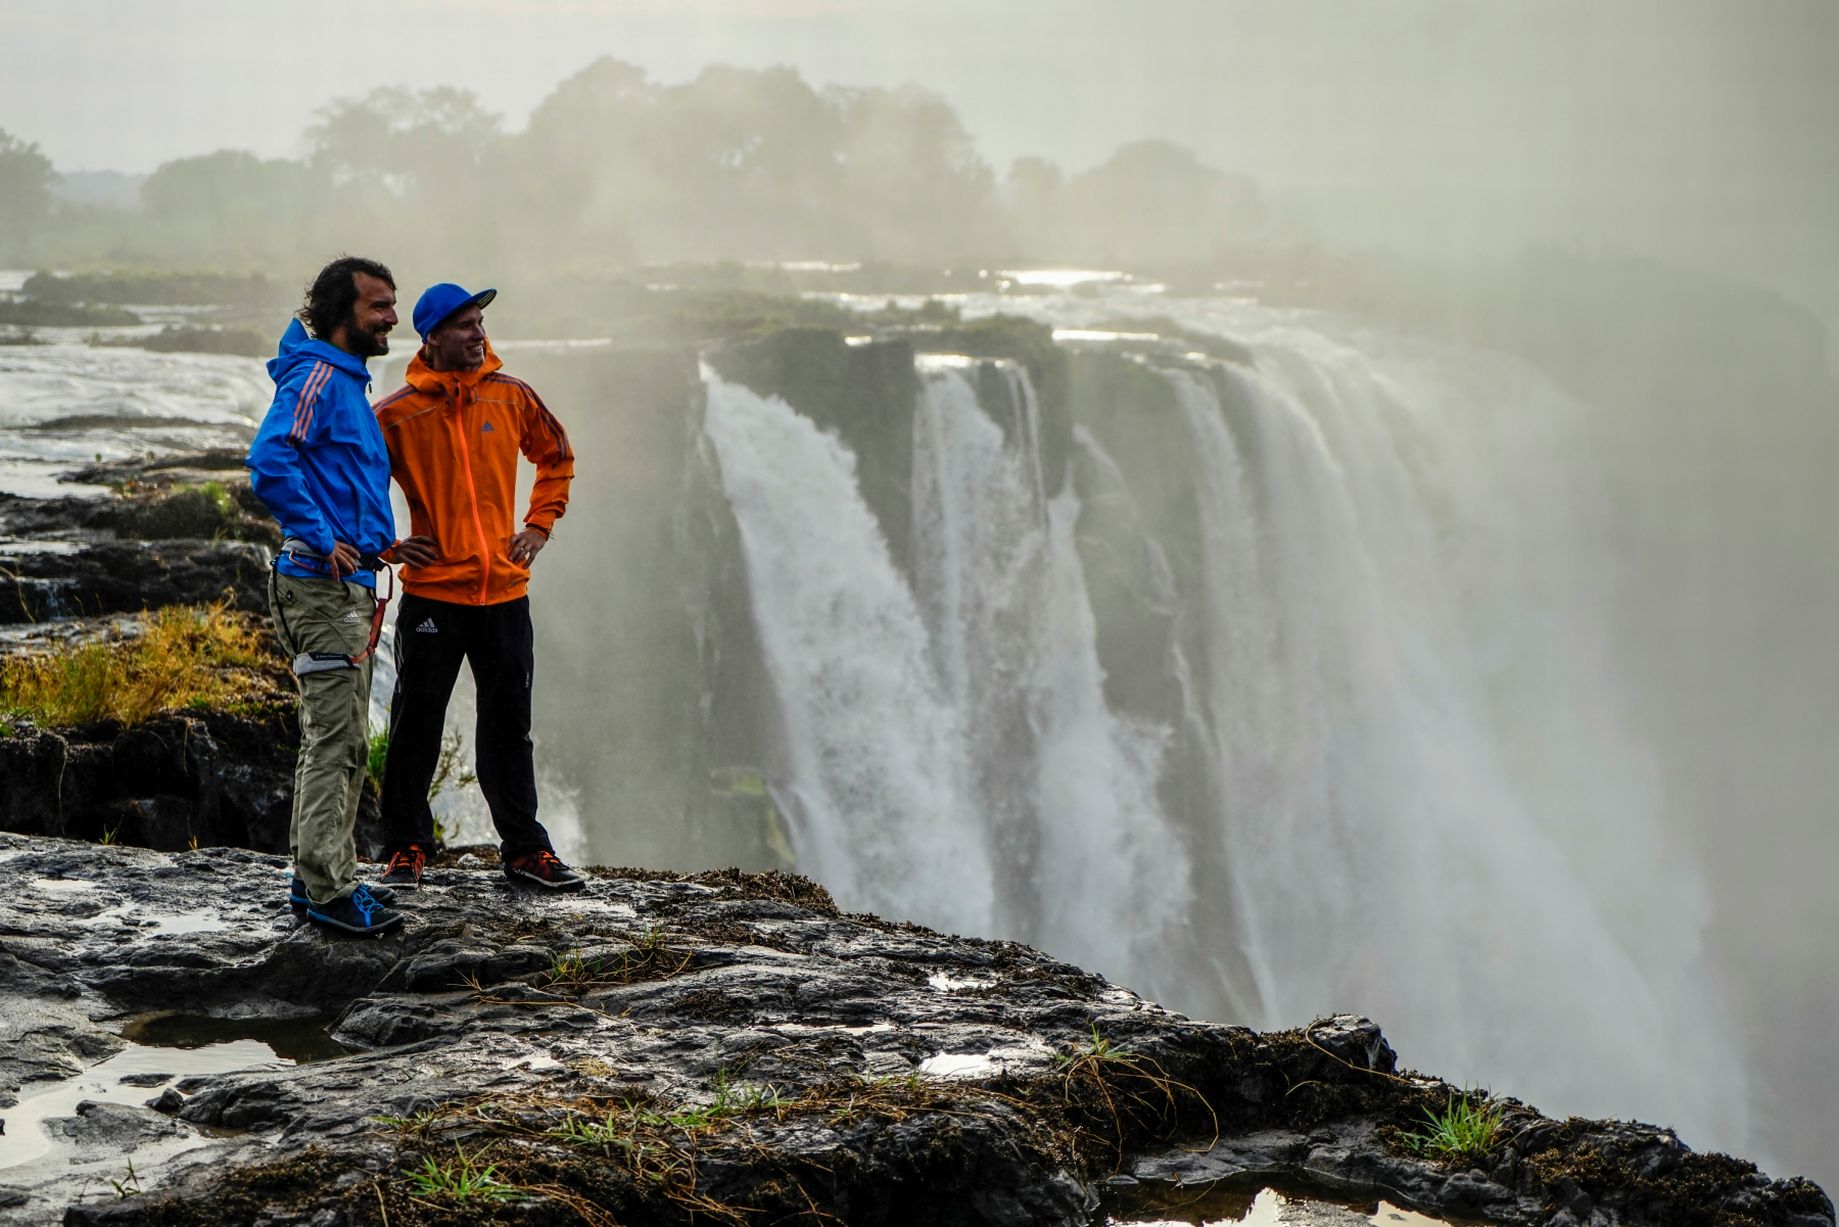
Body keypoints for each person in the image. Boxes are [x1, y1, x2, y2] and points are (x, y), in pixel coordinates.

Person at [246, 255, 437, 936]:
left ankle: (318, 878)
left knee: (345, 740)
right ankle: (327, 891)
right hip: (321, 590)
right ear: (340, 312)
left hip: (346, 588)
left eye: (392, 305)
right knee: (335, 741)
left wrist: (379, 545)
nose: (392, 318)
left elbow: (336, 477)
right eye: (379, 306)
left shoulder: (347, 382)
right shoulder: (321, 375)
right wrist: (323, 537)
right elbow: (270, 459)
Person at [372, 281, 584, 893]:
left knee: (508, 727)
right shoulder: (395, 413)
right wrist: (385, 543)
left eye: (481, 322)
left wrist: (539, 525)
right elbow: (352, 484)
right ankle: (407, 846)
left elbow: (557, 456)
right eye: (464, 323)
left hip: (505, 598)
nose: (479, 332)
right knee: (416, 724)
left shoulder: (512, 397)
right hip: (434, 596)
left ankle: (524, 849)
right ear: (432, 336)